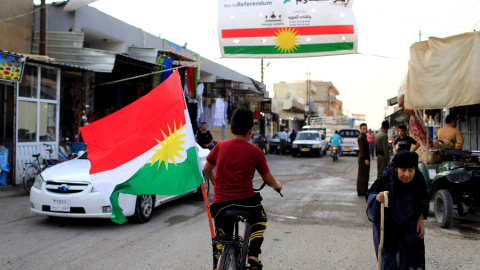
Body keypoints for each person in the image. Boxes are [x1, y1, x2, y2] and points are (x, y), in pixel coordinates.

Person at [203, 108, 282, 270]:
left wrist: (216, 184)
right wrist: (277, 185)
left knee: (222, 236)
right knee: (260, 219)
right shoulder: (256, 151)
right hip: (247, 202)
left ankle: (219, 262)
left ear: (231, 130)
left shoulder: (220, 146)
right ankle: (253, 253)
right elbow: (268, 179)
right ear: (251, 131)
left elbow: (206, 170)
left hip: (221, 204)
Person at [366, 151, 429, 270]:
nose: (407, 174)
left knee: (413, 252)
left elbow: (423, 200)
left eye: (411, 170)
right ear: (396, 169)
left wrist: (421, 219)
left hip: (410, 220)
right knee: (390, 255)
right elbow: (370, 193)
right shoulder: (387, 176)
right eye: (403, 170)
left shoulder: (418, 178)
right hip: (388, 222)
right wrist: (377, 198)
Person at [357, 123, 370, 196]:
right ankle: (362, 191)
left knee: (364, 175)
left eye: (366, 128)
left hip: (363, 158)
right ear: (360, 129)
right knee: (363, 175)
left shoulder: (363, 137)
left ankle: (363, 190)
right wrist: (366, 159)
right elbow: (362, 150)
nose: (365, 130)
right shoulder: (361, 138)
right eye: (364, 129)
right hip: (363, 158)